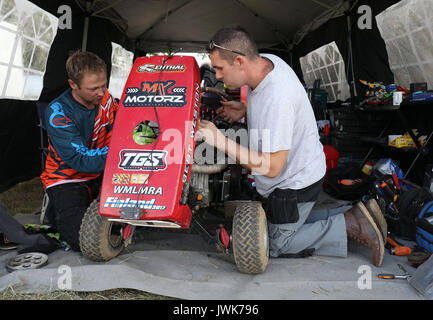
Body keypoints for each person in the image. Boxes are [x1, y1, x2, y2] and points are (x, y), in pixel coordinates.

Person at [196, 25, 387, 267]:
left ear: (241, 62)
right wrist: (244, 110)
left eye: (220, 68)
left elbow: (273, 167)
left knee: (275, 244)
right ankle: (355, 213)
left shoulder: (278, 95)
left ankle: (351, 224)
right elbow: (270, 108)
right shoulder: (268, 63)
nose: (218, 76)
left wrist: (220, 141)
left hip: (294, 182)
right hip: (301, 169)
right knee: (278, 223)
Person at [40, 51, 118, 251]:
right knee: (82, 240)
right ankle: (57, 212)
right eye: (93, 88)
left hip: (102, 172)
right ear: (73, 84)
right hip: (68, 179)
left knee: (131, 222)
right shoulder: (58, 112)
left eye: (104, 84)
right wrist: (122, 154)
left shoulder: (108, 99)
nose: (102, 92)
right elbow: (80, 158)